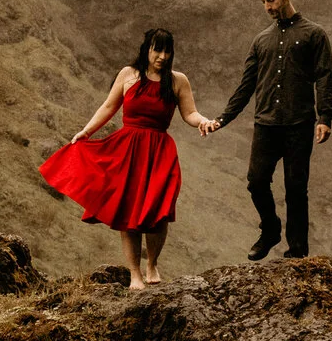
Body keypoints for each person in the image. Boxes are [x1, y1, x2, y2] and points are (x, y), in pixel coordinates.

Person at [39, 27, 217, 289]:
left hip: (159, 152)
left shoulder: (178, 81)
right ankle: (135, 274)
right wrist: (86, 131)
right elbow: (109, 106)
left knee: (160, 210)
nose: (162, 56)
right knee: (129, 211)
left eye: (167, 51)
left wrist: (203, 122)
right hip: (127, 150)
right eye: (158, 49)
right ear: (147, 49)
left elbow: (190, 113)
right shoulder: (128, 74)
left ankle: (152, 263)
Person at [209, 0, 332, 261]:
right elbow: (246, 86)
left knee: (295, 189)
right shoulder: (261, 41)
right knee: (256, 180)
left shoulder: (314, 35)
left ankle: (297, 251)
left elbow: (325, 77)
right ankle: (270, 229)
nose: (268, 7)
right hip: (266, 124)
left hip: (299, 124)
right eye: (264, 2)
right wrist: (223, 119)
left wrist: (324, 117)